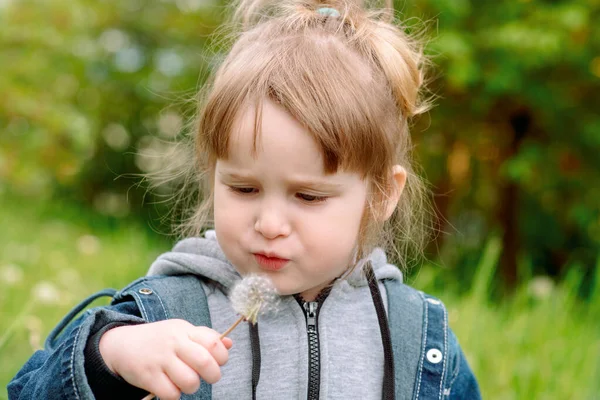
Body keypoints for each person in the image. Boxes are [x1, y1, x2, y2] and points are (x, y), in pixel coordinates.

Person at [8, 1, 481, 399]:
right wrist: (108, 357)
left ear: (381, 194)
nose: (270, 223)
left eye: (308, 195)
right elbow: (29, 388)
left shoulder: (417, 336)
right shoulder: (168, 310)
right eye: (244, 188)